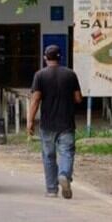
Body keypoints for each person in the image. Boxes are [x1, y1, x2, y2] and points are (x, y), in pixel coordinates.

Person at [27, 45, 82, 199]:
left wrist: (30, 121)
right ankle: (64, 175)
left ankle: (51, 189)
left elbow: (35, 99)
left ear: (46, 58)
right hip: (67, 123)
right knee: (66, 152)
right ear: (60, 57)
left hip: (47, 124)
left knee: (49, 156)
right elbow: (78, 98)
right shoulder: (70, 75)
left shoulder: (40, 75)